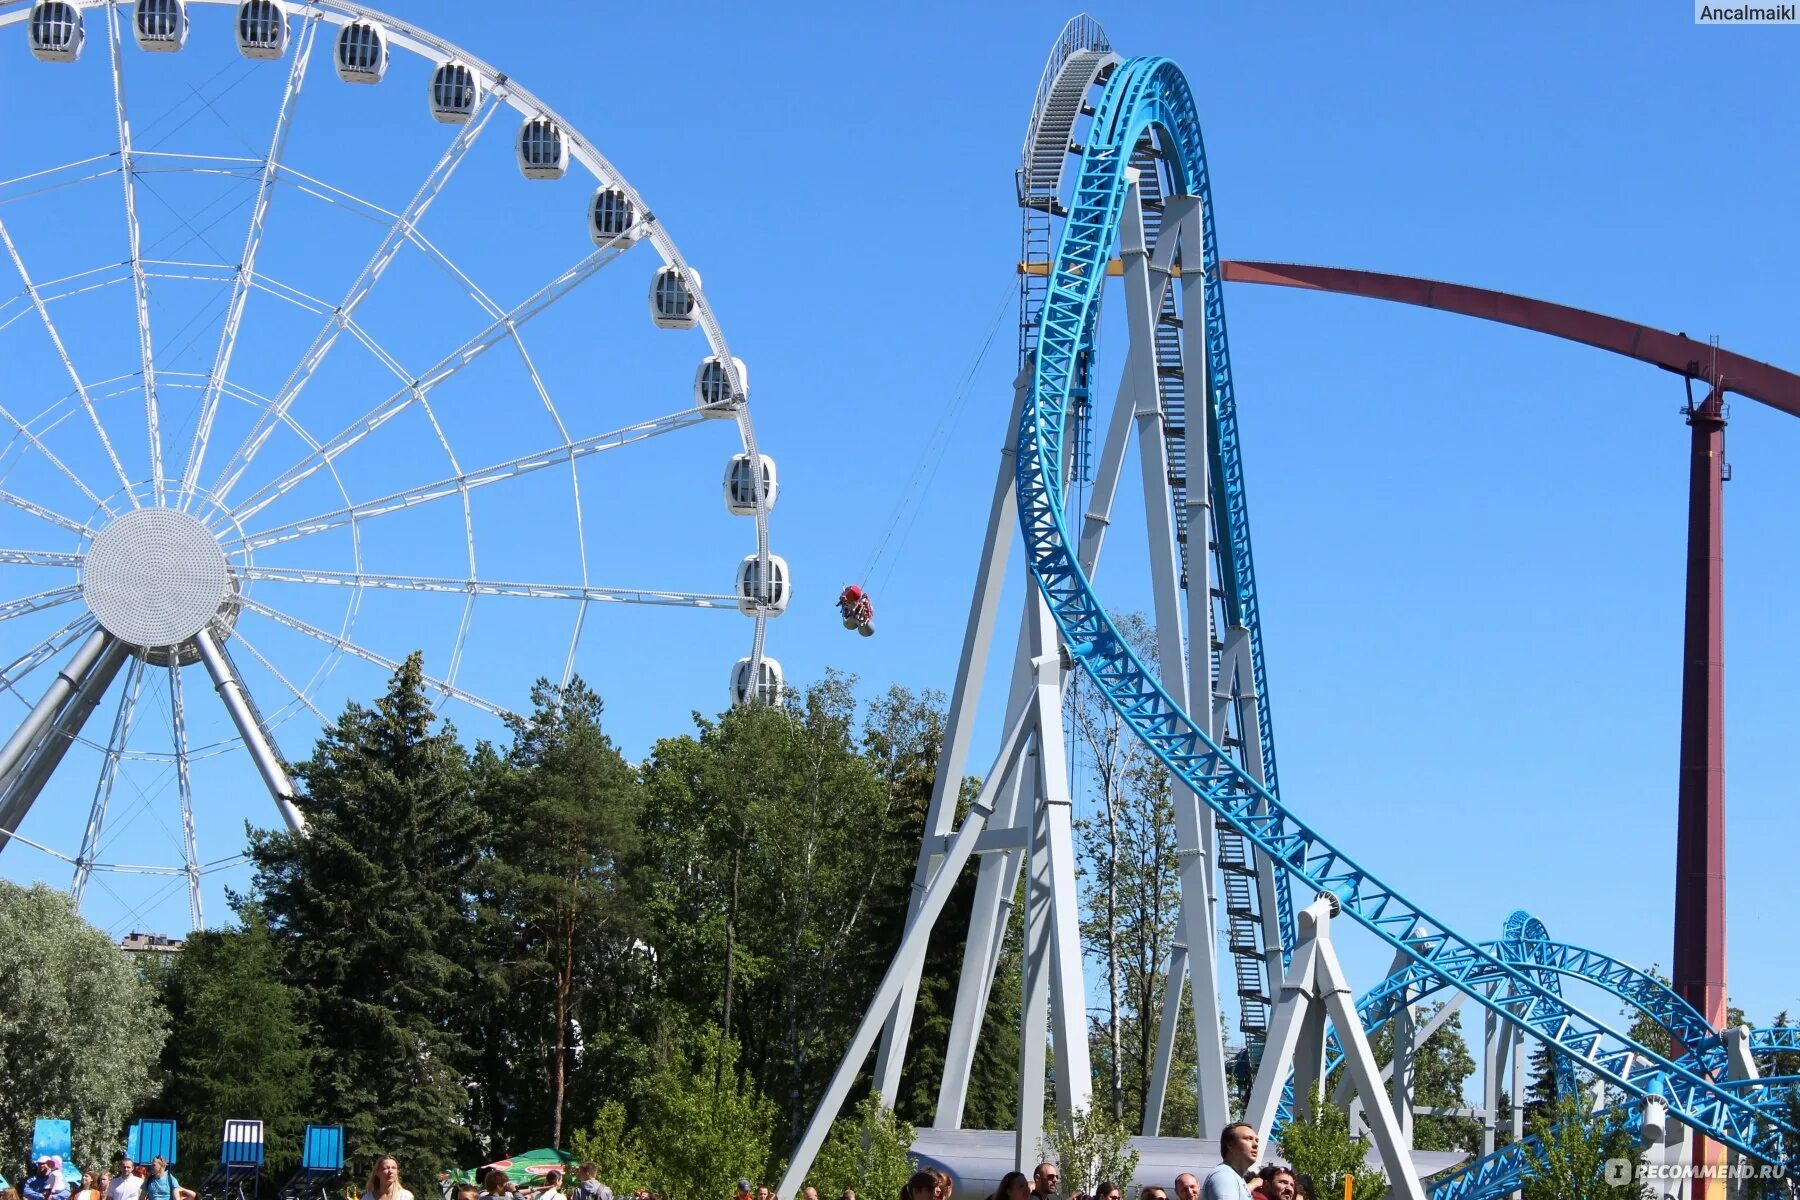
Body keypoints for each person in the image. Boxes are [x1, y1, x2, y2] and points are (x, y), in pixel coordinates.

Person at [1199, 1121, 1260, 1200]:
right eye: (1248, 1138)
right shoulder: (1224, 1176)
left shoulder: (1235, 1177)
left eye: (1257, 1140)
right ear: (1230, 1145)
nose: (1256, 1145)